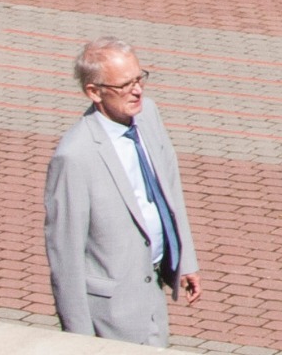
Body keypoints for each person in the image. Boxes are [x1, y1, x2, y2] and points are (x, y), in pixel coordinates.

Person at [45, 38, 201, 346]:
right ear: (94, 92)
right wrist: (79, 340)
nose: (138, 90)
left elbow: (169, 188)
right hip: (110, 312)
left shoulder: (147, 115)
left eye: (139, 78)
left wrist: (185, 260)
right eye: (125, 85)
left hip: (152, 288)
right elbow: (65, 255)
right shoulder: (75, 155)